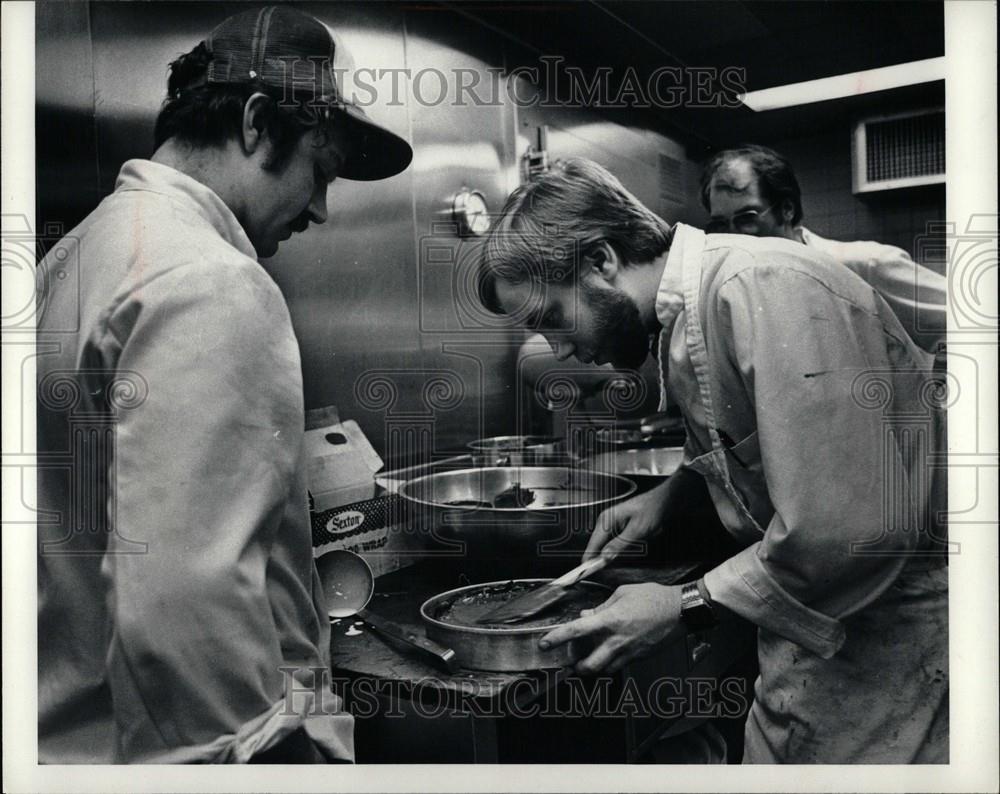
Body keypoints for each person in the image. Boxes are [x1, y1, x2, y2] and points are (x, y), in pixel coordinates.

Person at [476, 158, 948, 763]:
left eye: (553, 319)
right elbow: (765, 445)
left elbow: (846, 532)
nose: (561, 348)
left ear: (601, 261)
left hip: (889, 641)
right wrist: (675, 493)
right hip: (819, 638)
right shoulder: (688, 317)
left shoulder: (763, 287)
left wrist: (681, 604)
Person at [36, 6, 411, 763]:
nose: (320, 209)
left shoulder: (71, 261)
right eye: (320, 170)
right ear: (254, 121)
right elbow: (185, 606)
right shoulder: (210, 280)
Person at [700, 144, 947, 354]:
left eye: (747, 218)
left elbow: (969, 325)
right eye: (721, 224)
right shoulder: (738, 291)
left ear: (787, 209)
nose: (733, 235)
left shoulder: (864, 264)